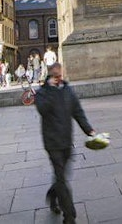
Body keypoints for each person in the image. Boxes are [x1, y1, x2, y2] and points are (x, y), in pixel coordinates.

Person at [35, 63, 96, 224]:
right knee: (62, 179)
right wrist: (52, 90)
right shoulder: (43, 93)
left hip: (67, 141)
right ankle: (69, 216)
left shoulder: (68, 90)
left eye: (60, 75)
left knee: (61, 177)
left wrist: (89, 130)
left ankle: (52, 195)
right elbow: (42, 109)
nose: (59, 78)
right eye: (56, 76)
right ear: (50, 76)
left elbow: (78, 112)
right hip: (52, 142)